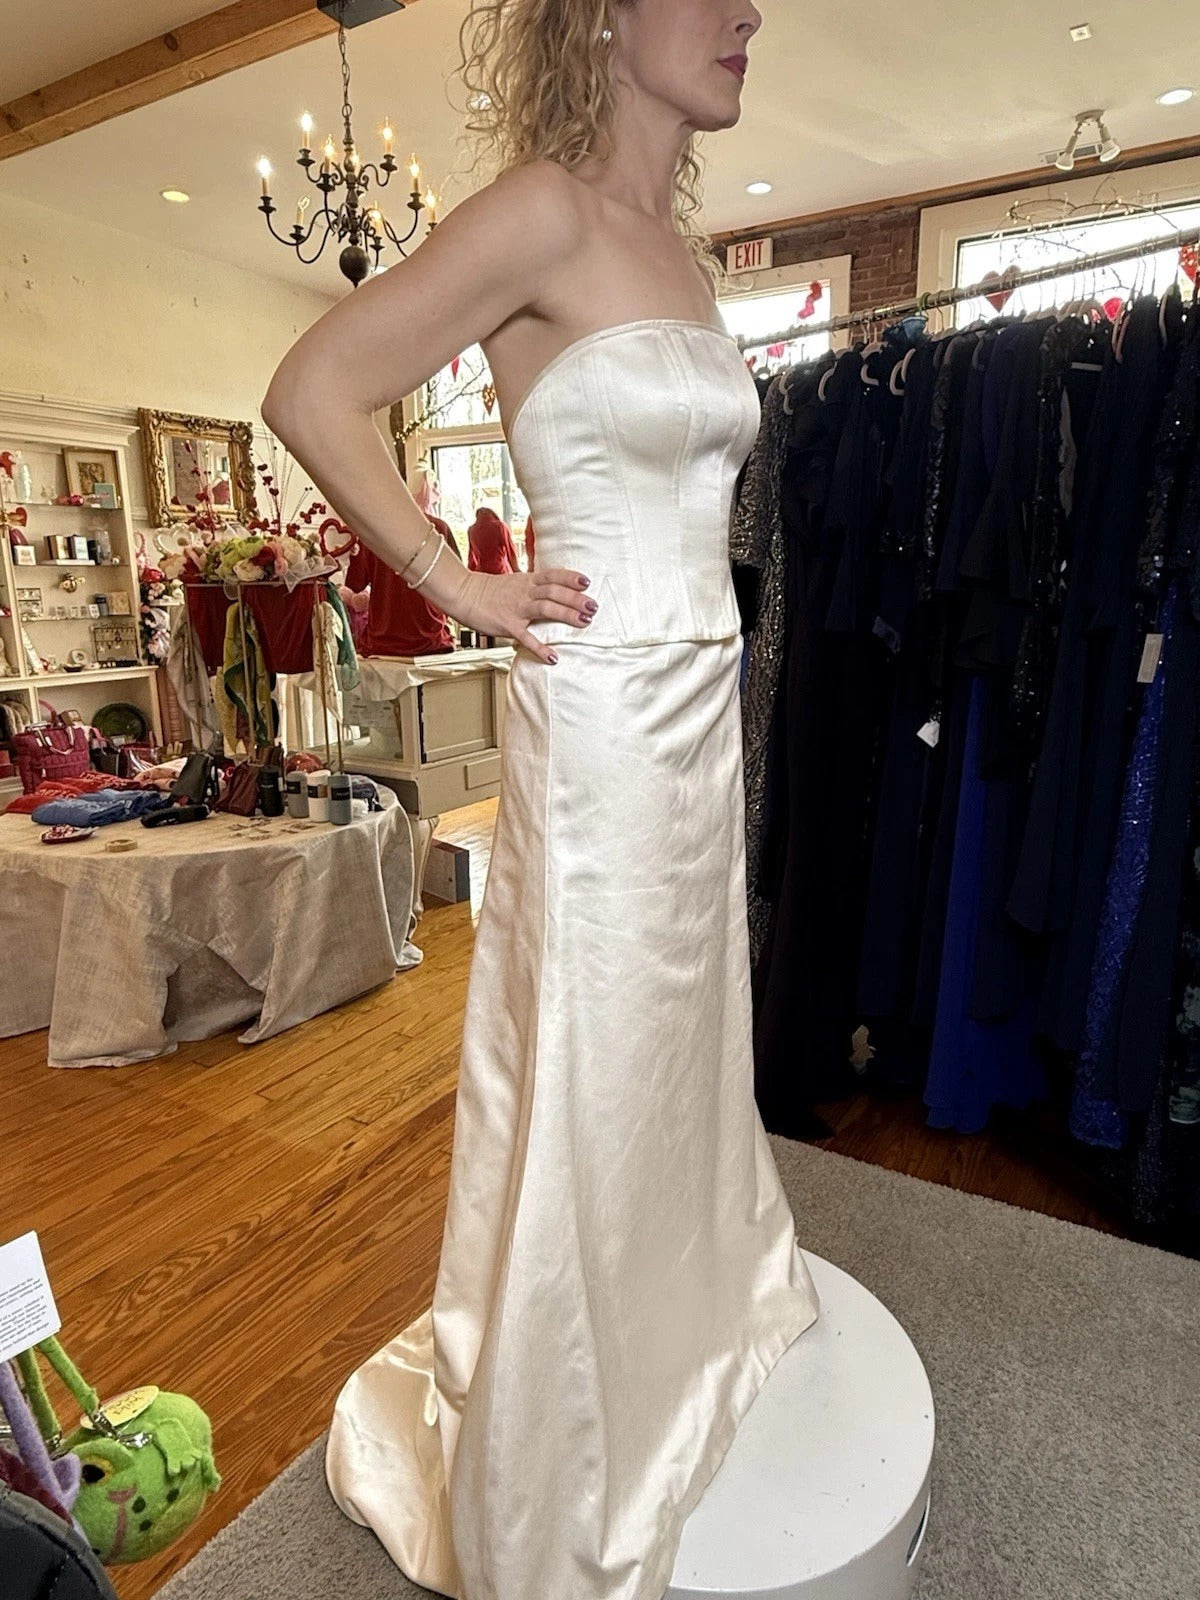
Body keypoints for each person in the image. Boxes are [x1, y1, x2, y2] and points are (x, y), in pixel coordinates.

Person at [261, 3, 819, 1598]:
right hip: (603, 719)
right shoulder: (540, 213)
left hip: (698, 710)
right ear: (609, 13)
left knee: (676, 1037)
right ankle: (563, 1421)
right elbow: (313, 389)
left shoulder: (679, 253)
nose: (748, 15)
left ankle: (678, 1322)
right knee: (589, 1040)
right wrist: (454, 584)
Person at [465, 504, 521, 573]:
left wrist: (470, 572)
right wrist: (517, 570)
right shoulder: (500, 526)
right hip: (500, 571)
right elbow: (510, 551)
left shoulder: (471, 530)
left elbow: (471, 557)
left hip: (482, 573)